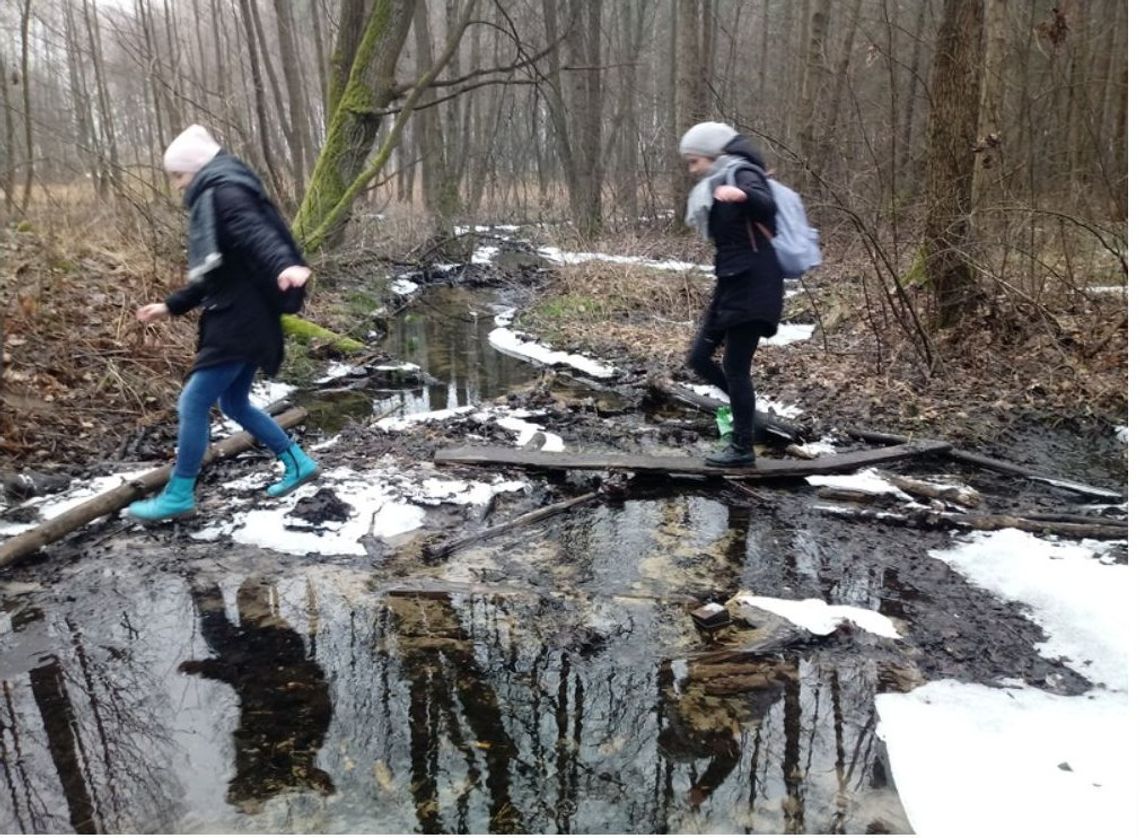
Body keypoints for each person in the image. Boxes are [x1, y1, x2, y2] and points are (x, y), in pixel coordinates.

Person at [128, 125, 320, 521]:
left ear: (196, 169)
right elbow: (217, 273)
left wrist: (284, 264)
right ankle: (297, 461)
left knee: (194, 401)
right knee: (232, 401)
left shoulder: (225, 192)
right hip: (243, 315)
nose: (178, 186)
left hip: (239, 320)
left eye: (179, 176)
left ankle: (179, 494)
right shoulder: (221, 191)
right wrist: (171, 306)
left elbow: (257, 233)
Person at [680, 121, 783, 467]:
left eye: (695, 162)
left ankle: (741, 448)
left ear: (713, 155)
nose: (692, 170)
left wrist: (744, 195)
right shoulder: (719, 180)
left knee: (735, 366)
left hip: (754, 284)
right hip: (730, 283)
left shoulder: (741, 173)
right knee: (698, 358)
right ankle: (747, 416)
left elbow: (767, 205)